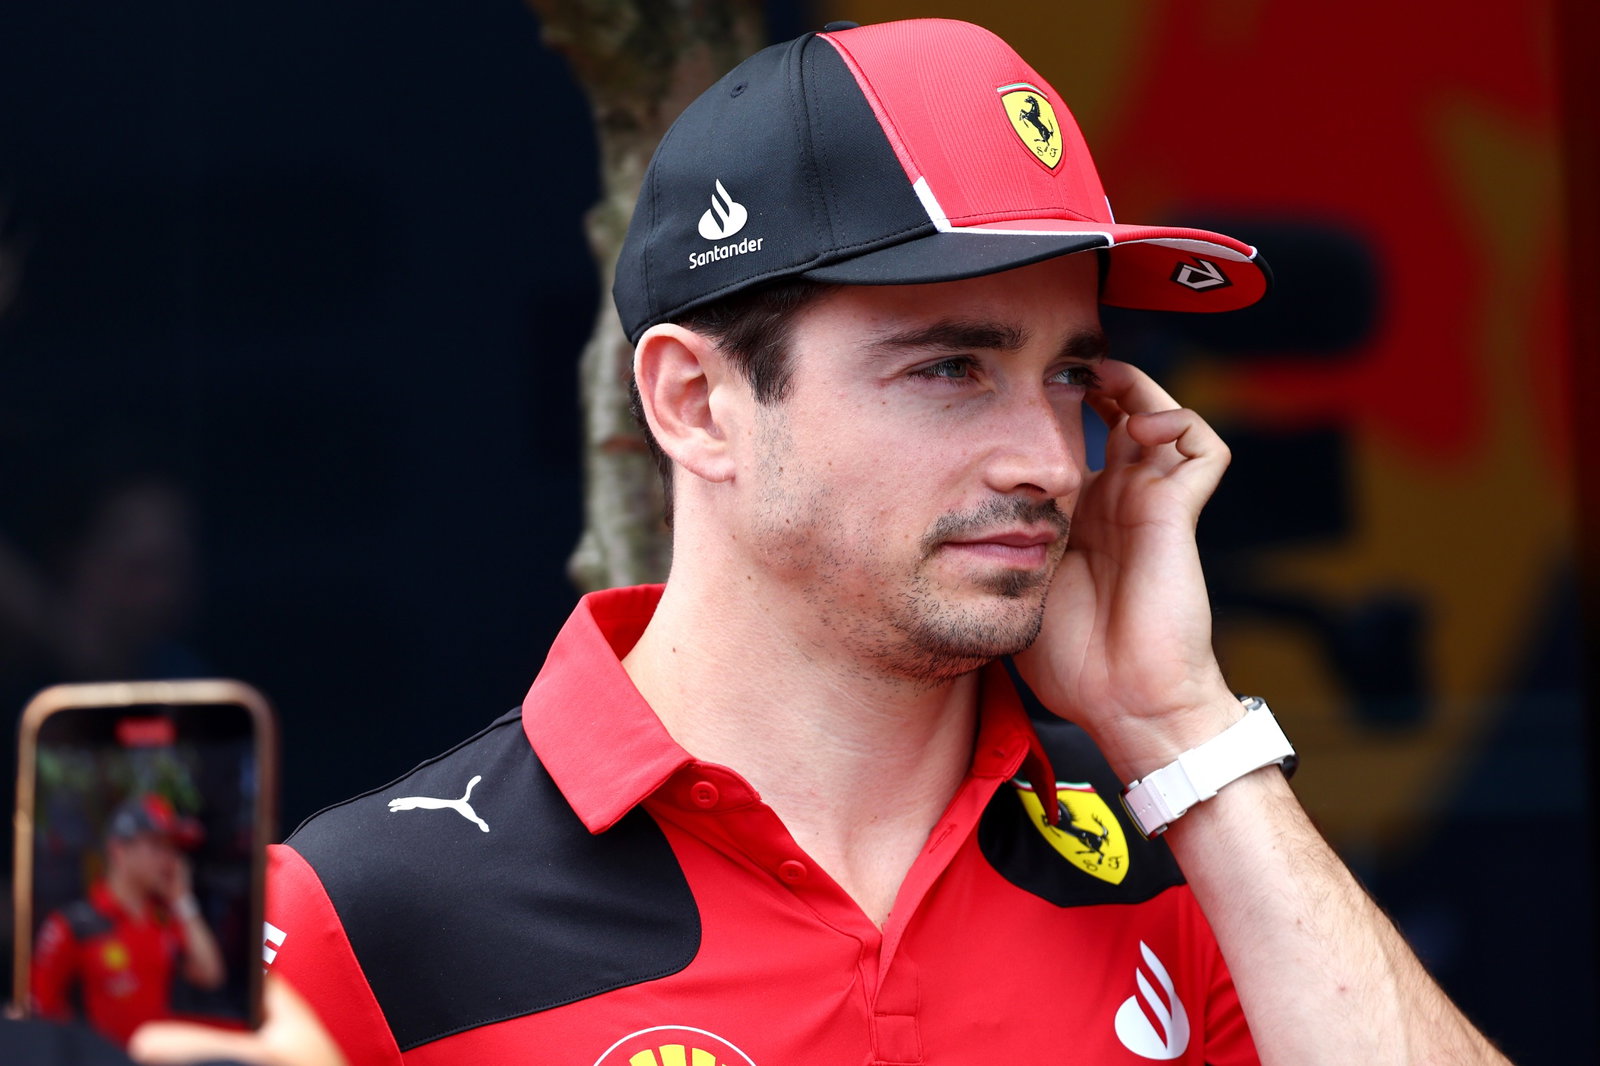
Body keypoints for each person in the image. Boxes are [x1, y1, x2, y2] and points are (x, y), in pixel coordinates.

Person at [131, 17, 1507, 1066]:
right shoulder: (367, 913)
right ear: (696, 401)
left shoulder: (1183, 851)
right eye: (951, 369)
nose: (1046, 457)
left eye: (1073, 376)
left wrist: (1177, 722)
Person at [32, 794, 226, 1047]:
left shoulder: (165, 916)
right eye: (157, 846)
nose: (169, 860)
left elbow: (209, 975)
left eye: (172, 848)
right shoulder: (73, 926)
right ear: (119, 850)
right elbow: (40, 1015)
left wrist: (183, 900)